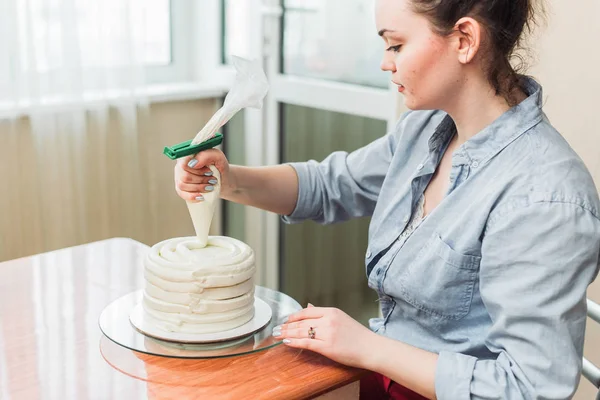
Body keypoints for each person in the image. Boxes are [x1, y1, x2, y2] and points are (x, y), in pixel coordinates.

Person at [174, 0, 600, 398]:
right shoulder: (425, 129)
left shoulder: (547, 198)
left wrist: (369, 347)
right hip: (384, 380)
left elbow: (530, 388)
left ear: (465, 40)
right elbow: (330, 186)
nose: (384, 62)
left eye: (396, 44)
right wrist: (226, 181)